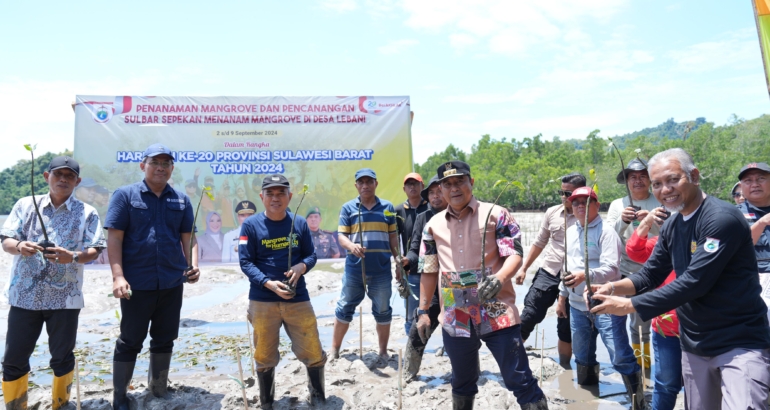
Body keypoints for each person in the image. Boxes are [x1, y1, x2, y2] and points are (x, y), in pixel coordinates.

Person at [590, 148, 770, 410]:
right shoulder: (673, 225)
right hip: (695, 344)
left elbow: (695, 282)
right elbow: (651, 273)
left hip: (739, 343)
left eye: (673, 179)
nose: (665, 189)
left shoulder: (721, 219)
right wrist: (613, 286)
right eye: (658, 184)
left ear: (694, 176)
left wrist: (630, 305)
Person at [416, 161, 547, 410]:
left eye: (459, 182)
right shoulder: (432, 226)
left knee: (518, 377)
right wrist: (423, 311)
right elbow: (429, 270)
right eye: (447, 184)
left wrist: (499, 278)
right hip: (457, 314)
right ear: (440, 189)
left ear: (471, 183)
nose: (454, 188)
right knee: (462, 381)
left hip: (496, 308)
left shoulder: (496, 214)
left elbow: (514, 255)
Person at [0, 156, 105, 410]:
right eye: (58, 174)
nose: (63, 180)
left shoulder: (87, 212)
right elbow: (6, 240)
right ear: (47, 177)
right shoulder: (26, 205)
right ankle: (15, 406)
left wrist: (74, 256)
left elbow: (96, 249)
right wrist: (20, 246)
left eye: (69, 176)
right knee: (13, 359)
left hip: (66, 299)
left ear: (77, 181)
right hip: (24, 296)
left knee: (61, 357)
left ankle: (61, 404)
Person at [105, 143, 201, 410]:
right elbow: (114, 238)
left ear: (172, 169)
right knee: (130, 340)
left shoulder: (181, 200)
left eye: (166, 163)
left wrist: (192, 265)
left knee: (165, 337)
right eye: (155, 162)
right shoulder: (125, 196)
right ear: (142, 166)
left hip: (171, 281)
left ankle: (158, 388)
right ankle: (120, 396)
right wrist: (118, 277)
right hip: (137, 283)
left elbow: (189, 238)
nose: (160, 168)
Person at [239, 174, 325, 409]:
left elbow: (311, 255)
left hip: (298, 298)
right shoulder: (250, 225)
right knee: (264, 354)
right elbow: (245, 262)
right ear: (261, 197)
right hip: (263, 300)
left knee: (313, 348)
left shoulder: (299, 223)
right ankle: (267, 401)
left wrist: (302, 266)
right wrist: (268, 283)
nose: (275, 198)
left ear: (290, 196)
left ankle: (317, 395)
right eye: (270, 193)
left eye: (280, 193)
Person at [556, 186, 644, 409]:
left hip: (605, 304)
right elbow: (565, 268)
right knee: (583, 356)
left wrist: (585, 275)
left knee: (620, 356)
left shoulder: (606, 231)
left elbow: (612, 269)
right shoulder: (569, 231)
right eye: (575, 202)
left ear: (596, 205)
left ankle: (638, 403)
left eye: (585, 202)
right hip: (577, 306)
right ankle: (587, 401)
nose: (578, 207)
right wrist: (562, 295)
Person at [331, 168, 400, 365]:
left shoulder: (387, 207)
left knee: (383, 310)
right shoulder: (348, 208)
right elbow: (342, 236)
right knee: (345, 307)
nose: (365, 185)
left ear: (376, 183)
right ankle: (335, 350)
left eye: (369, 181)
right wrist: (352, 246)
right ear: (356, 186)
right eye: (361, 182)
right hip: (355, 269)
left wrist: (398, 263)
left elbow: (393, 236)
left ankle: (383, 351)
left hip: (381, 270)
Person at [514, 173, 585, 363]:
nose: (563, 197)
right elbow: (539, 242)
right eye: (561, 192)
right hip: (550, 271)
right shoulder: (552, 213)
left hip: (574, 276)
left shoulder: (586, 214)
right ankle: (513, 357)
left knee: (566, 324)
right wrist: (524, 268)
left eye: (567, 193)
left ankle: (564, 368)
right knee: (530, 313)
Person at [626, 207, 682, 410]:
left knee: (699, 385)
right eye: (662, 219)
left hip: (699, 325)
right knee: (666, 384)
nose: (666, 222)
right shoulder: (659, 244)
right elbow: (634, 250)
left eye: (670, 219)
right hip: (666, 326)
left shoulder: (701, 243)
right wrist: (647, 221)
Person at [605, 157, 660, 367]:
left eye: (643, 176)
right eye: (633, 177)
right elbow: (609, 236)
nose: (638, 181)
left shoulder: (660, 200)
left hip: (653, 270)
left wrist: (650, 221)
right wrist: (623, 220)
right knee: (623, 320)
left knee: (644, 323)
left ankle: (646, 369)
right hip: (624, 270)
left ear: (650, 179)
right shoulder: (617, 204)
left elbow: (671, 234)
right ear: (627, 181)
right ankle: (634, 367)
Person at [402, 175, 447, 380]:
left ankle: (467, 372)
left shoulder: (458, 214)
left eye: (440, 191)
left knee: (460, 331)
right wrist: (406, 262)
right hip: (430, 279)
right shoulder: (423, 217)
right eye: (432, 192)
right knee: (419, 326)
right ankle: (408, 372)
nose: (436, 196)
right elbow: (415, 250)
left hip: (456, 283)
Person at [395, 172, 429, 334]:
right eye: (409, 184)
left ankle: (444, 348)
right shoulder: (399, 211)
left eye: (416, 183)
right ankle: (412, 346)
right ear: (404, 189)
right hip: (411, 269)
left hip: (433, 268)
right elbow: (395, 240)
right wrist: (399, 267)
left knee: (439, 309)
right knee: (411, 313)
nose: (412, 187)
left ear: (422, 186)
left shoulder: (431, 208)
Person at [737, 162, 770, 322]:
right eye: (748, 181)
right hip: (752, 280)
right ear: (741, 186)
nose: (755, 184)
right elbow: (736, 247)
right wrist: (762, 223)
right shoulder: (732, 215)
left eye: (761, 178)